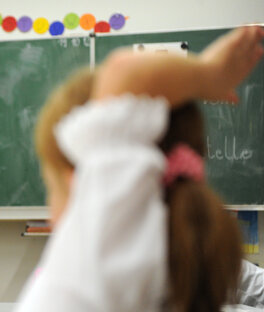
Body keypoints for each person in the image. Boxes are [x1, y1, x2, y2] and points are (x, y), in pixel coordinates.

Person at [16, 26, 264, 311]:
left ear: (80, 182)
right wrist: (209, 74)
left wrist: (211, 74)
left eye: (51, 187)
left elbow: (125, 73)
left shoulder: (89, 276)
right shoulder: (204, 282)